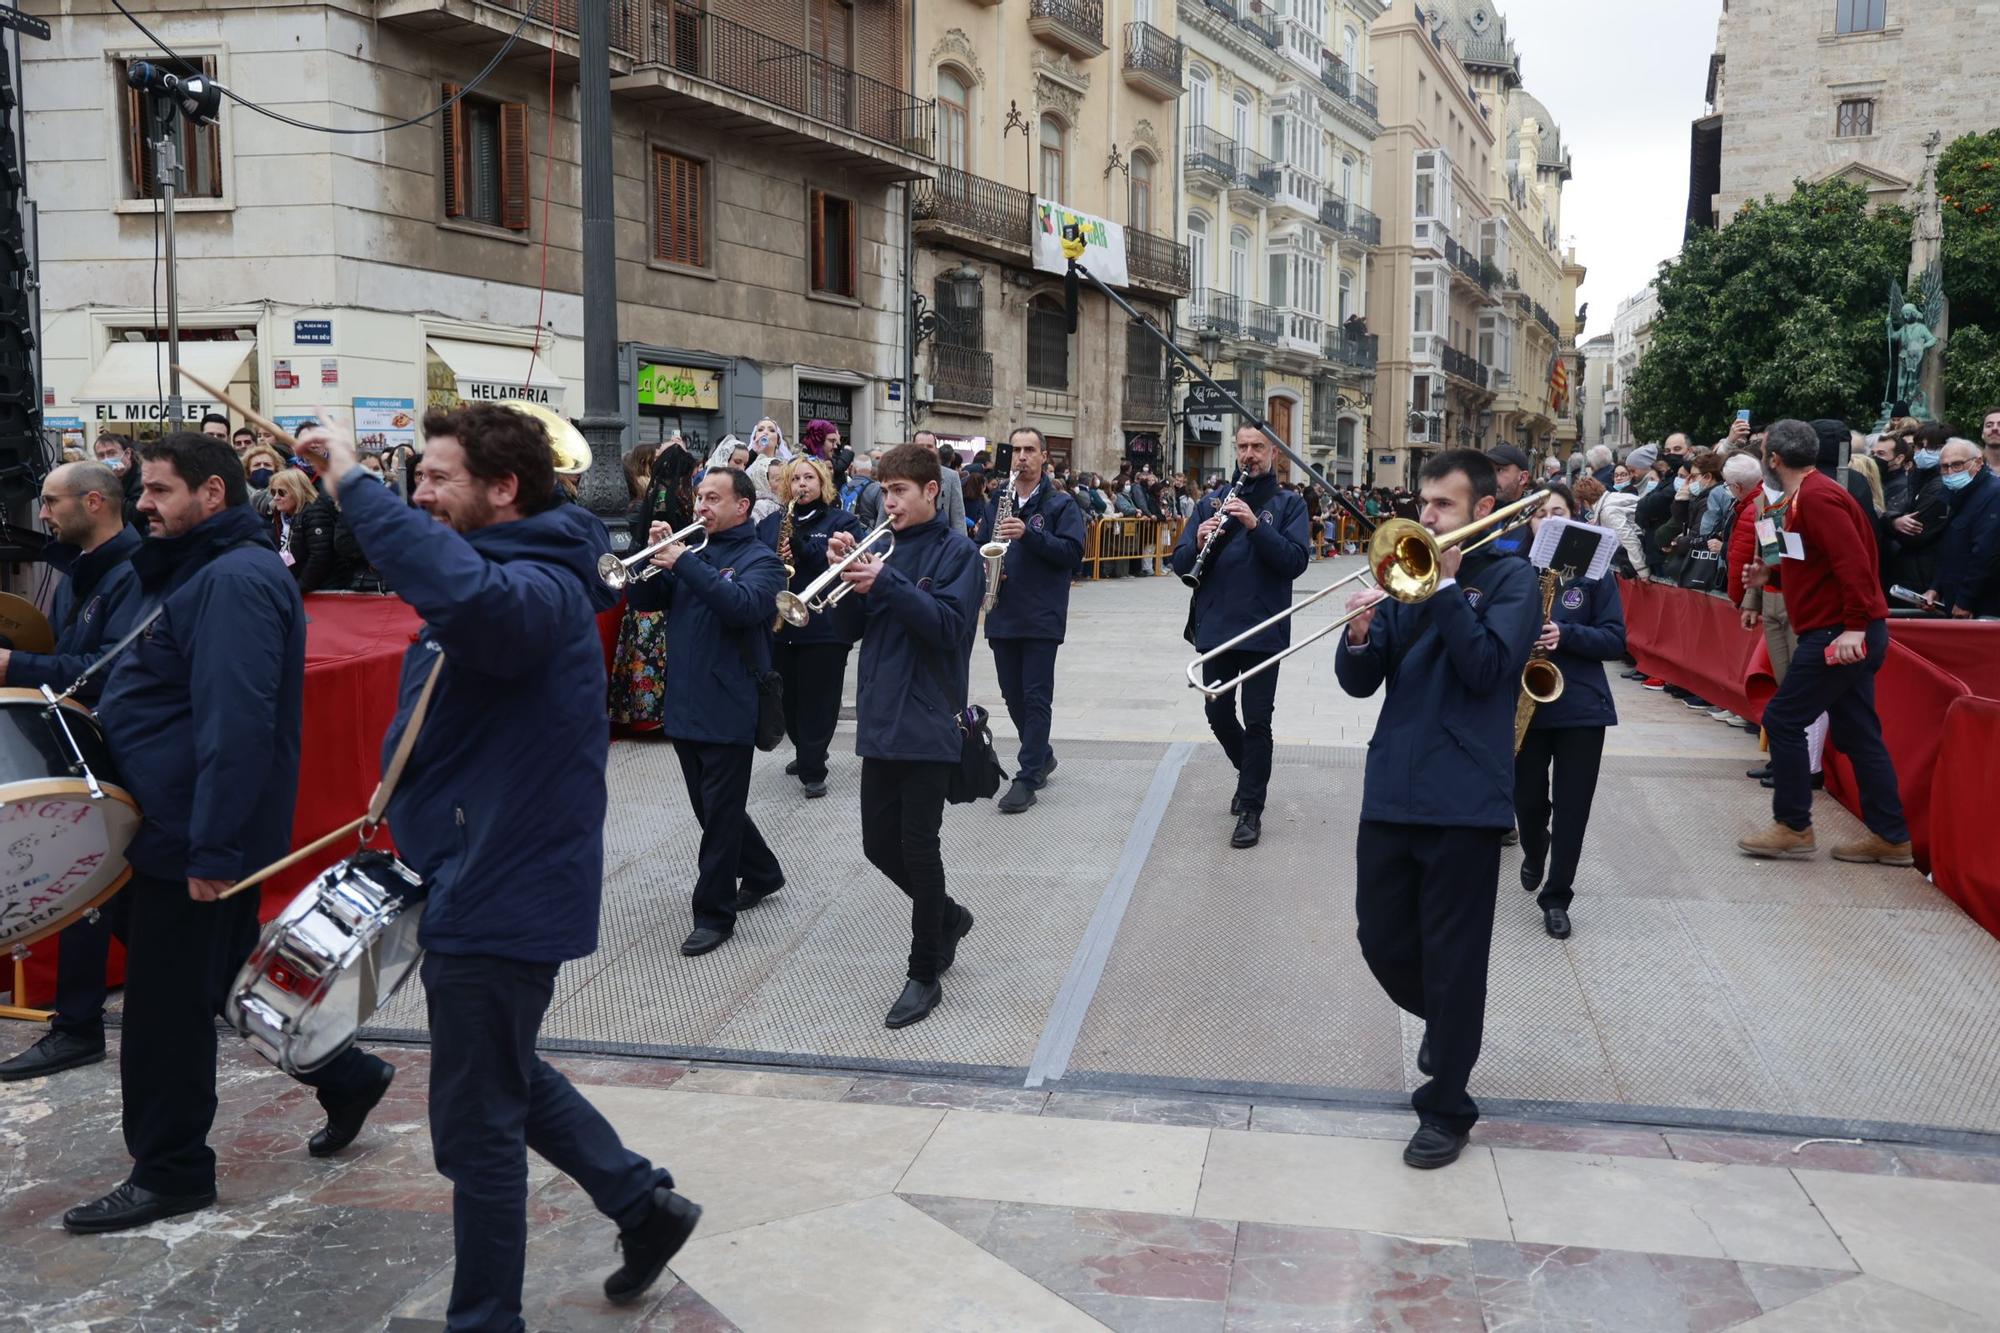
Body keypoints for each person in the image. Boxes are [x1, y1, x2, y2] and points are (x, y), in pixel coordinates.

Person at [304, 405, 700, 1325]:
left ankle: (485, 1318)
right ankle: (643, 1203)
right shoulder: (512, 568)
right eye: (416, 479)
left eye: (437, 478)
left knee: (475, 1128)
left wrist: (357, 489)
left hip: (503, 883)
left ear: (504, 487)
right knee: (501, 1070)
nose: (421, 492)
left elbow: (478, 609)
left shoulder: (541, 588)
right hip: (474, 867)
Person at [64, 434, 396, 1235]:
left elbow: (236, 723)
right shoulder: (199, 568)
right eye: (142, 489)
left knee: (163, 1014)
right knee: (223, 978)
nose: (142, 503)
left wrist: (210, 850)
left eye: (159, 491)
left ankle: (171, 1169)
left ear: (213, 494)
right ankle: (346, 1075)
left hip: (190, 833)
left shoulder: (236, 580)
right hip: (174, 821)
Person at [1335, 449, 1539, 1170]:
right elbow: (1362, 682)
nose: (1425, 516)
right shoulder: (1406, 575)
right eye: (1423, 503)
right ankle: (1449, 1026)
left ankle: (1448, 1104)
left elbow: (1487, 668)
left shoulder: (1514, 580)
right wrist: (1359, 633)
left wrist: (1448, 590)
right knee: (1379, 936)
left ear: (1483, 510)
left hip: (1464, 799)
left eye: (1442, 505)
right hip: (1393, 784)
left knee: (1455, 960)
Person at [827, 444, 982, 1029]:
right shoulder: (881, 548)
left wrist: (886, 583)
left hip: (929, 716)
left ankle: (924, 971)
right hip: (882, 716)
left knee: (919, 847)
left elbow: (948, 628)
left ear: (931, 492)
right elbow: (847, 629)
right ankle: (947, 916)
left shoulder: (957, 551)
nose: (888, 502)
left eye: (900, 492)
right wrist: (847, 579)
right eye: (884, 492)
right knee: (876, 845)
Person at [0, 463, 145, 1082]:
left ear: (94, 501)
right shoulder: (78, 571)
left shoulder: (134, 572)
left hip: (122, 752)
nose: (45, 514)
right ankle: (77, 1025)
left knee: (102, 894)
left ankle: (78, 1026)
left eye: (53, 502)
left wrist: (13, 665)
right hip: (90, 748)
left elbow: (105, 669)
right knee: (99, 894)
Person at [1738, 420, 1911, 864]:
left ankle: (1793, 825)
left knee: (1782, 718)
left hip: (1840, 633)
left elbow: (1853, 565)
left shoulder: (1816, 498)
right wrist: (1769, 574)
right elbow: (1811, 561)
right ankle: (1891, 838)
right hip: (1842, 629)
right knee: (1858, 735)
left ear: (1772, 459)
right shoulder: (1805, 497)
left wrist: (1855, 628)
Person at [646, 468, 788, 956]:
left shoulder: (762, 560)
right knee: (710, 809)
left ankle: (714, 913)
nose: (700, 506)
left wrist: (685, 563)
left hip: (730, 703)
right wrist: (652, 550)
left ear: (742, 506)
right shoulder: (694, 554)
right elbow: (643, 599)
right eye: (699, 497)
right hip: (685, 700)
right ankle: (764, 871)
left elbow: (742, 607)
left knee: (720, 816)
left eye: (713, 498)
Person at [1170, 423, 1311, 849]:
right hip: (1216, 628)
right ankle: (1250, 772)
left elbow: (1294, 562)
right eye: (1243, 447)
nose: (1249, 454)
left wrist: (1255, 526)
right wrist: (1195, 542)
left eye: (1257, 447)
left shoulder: (1288, 504)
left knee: (1258, 721)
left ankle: (1251, 807)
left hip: (1263, 629)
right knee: (1217, 715)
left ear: (1272, 454)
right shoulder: (1211, 501)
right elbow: (1179, 564)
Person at [1512, 486, 1625, 941]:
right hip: (1526, 707)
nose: (1549, 520)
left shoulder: (1595, 577)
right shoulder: (1514, 571)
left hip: (1580, 706)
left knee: (1574, 809)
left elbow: (1616, 639)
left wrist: (1567, 634)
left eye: (1558, 512)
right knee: (1527, 800)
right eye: (1540, 514)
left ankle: (1557, 896)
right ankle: (1535, 846)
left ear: (1574, 519)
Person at [976, 427, 1085, 814]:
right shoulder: (998, 501)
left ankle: (1026, 777)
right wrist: (986, 569)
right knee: (1012, 695)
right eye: (1017, 450)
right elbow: (981, 545)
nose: (1021, 457)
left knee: (1036, 697)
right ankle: (1042, 755)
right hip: (1003, 610)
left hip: (1041, 614)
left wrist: (1030, 536)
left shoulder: (1061, 506)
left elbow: (1073, 554)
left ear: (1043, 458)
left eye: (1029, 450)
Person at [758, 457, 861, 797]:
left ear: (822, 484)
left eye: (809, 478)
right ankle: (806, 748)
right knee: (789, 698)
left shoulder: (841, 521)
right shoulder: (772, 523)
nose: (802, 484)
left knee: (820, 698)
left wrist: (805, 548)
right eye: (795, 479)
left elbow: (845, 562)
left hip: (824, 625)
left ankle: (813, 765)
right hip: (782, 625)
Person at [610, 440, 695, 735]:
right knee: (658, 656)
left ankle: (643, 715)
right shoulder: (678, 496)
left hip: (650, 579)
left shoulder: (653, 493)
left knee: (643, 656)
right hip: (662, 578)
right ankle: (658, 715)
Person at [1924, 439, 2000, 618]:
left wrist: (1965, 601)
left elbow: (1985, 553)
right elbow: (1951, 548)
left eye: (1957, 465)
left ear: (1978, 462)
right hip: (1956, 599)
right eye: (1944, 467)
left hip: (1982, 607)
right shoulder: (1957, 495)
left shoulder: (1994, 494)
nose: (1950, 472)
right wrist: (1936, 587)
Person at [1479, 444, 1534, 558]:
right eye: (1489, 470)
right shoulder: (1476, 513)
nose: (1491, 478)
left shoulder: (1533, 520)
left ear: (1522, 478)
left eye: (1499, 470)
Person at [910, 429, 967, 535]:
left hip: (941, 542)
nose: (925, 450)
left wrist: (962, 548)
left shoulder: (951, 476)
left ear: (936, 450)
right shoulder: (901, 475)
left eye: (929, 446)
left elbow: (958, 518)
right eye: (920, 446)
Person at [94, 432, 145, 530]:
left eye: (111, 453)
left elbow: (132, 515)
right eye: (101, 455)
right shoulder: (100, 478)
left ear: (127, 454)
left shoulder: (142, 478)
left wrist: (113, 481)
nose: (106, 459)